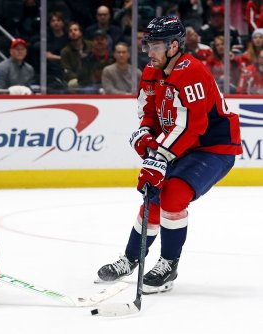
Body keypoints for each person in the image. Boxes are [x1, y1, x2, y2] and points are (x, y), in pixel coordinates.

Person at [96, 16, 242, 294]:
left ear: (174, 46)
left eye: (156, 46)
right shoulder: (152, 71)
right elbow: (149, 113)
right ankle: (130, 258)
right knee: (154, 194)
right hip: (181, 143)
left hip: (214, 146)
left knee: (172, 193)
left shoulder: (192, 71)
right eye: (148, 45)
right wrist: (147, 137)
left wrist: (158, 156)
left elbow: (193, 126)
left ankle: (168, 264)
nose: (150, 52)